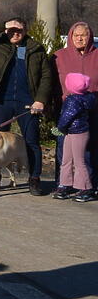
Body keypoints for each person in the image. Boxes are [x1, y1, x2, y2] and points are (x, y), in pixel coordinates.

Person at [0, 17, 52, 195]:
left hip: (28, 103)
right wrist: (2, 25)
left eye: (19, 30)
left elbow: (47, 77)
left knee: (32, 141)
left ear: (26, 31)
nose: (15, 34)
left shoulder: (36, 49)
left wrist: (40, 100)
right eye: (11, 30)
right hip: (1, 101)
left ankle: (34, 179)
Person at [51, 22, 98, 200]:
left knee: (88, 151)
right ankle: (64, 184)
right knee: (65, 152)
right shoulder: (59, 56)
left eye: (83, 35)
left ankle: (88, 186)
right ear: (70, 37)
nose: (79, 38)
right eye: (76, 35)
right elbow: (50, 82)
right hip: (66, 110)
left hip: (93, 111)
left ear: (90, 36)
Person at [54, 73, 96, 201]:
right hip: (71, 132)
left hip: (77, 133)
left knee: (79, 161)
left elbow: (66, 117)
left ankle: (86, 188)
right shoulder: (86, 98)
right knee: (66, 159)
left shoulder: (73, 100)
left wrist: (59, 129)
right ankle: (64, 184)